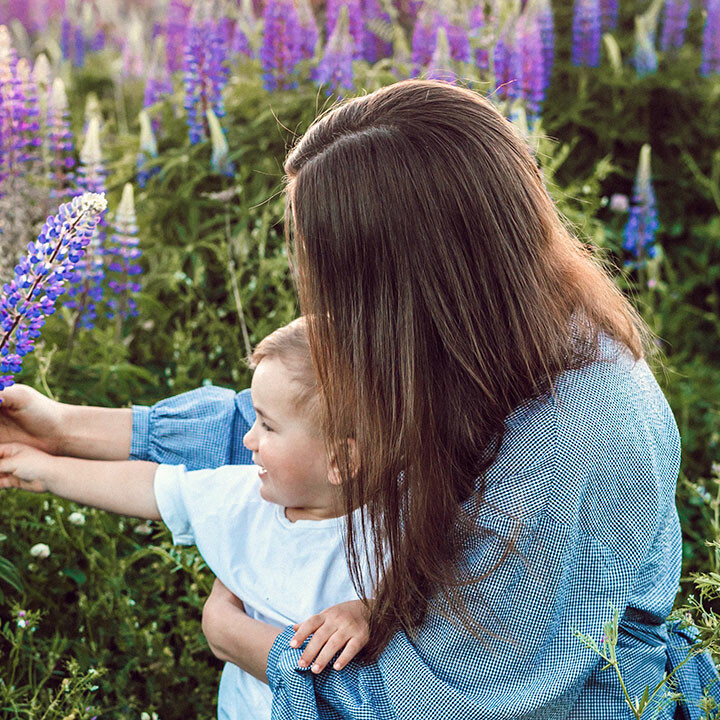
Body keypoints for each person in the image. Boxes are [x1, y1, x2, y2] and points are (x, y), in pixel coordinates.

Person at [0, 80, 713, 719]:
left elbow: (446, 704)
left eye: (339, 280)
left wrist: (250, 645)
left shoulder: (578, 435)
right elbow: (308, 432)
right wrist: (62, 428)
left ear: (410, 280)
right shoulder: (488, 330)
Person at [0, 318, 372, 720]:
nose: (249, 439)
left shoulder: (395, 524)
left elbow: (426, 597)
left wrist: (368, 609)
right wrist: (41, 467)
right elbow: (152, 487)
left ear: (342, 461)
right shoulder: (246, 497)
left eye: (267, 425)